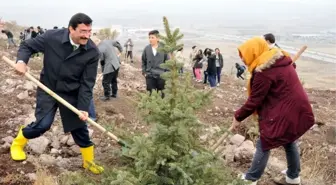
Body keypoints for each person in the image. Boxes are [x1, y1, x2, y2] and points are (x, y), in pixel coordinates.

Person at [10, 13, 104, 174]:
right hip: (48, 87)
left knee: (79, 127)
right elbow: (27, 46)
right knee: (43, 124)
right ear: (71, 29)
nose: (87, 35)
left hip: (72, 92)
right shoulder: (52, 37)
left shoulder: (92, 52)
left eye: (89, 31)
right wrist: (21, 62)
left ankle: (88, 161)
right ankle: (18, 143)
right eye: (83, 31)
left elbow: (87, 84)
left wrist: (83, 107)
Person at [230, 37, 315, 185]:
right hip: (295, 107)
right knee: (289, 140)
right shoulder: (280, 60)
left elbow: (255, 101)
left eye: (244, 55)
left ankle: (250, 179)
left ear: (254, 52)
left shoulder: (264, 71)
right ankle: (293, 176)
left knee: (264, 142)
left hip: (285, 110)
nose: (243, 59)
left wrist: (238, 117)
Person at [141, 30, 169, 97]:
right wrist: (144, 72)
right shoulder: (147, 49)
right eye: (149, 37)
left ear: (158, 38)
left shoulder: (164, 48)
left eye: (152, 37)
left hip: (161, 76)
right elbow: (143, 61)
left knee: (161, 95)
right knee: (151, 95)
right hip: (150, 76)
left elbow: (167, 62)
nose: (150, 39)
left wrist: (166, 74)